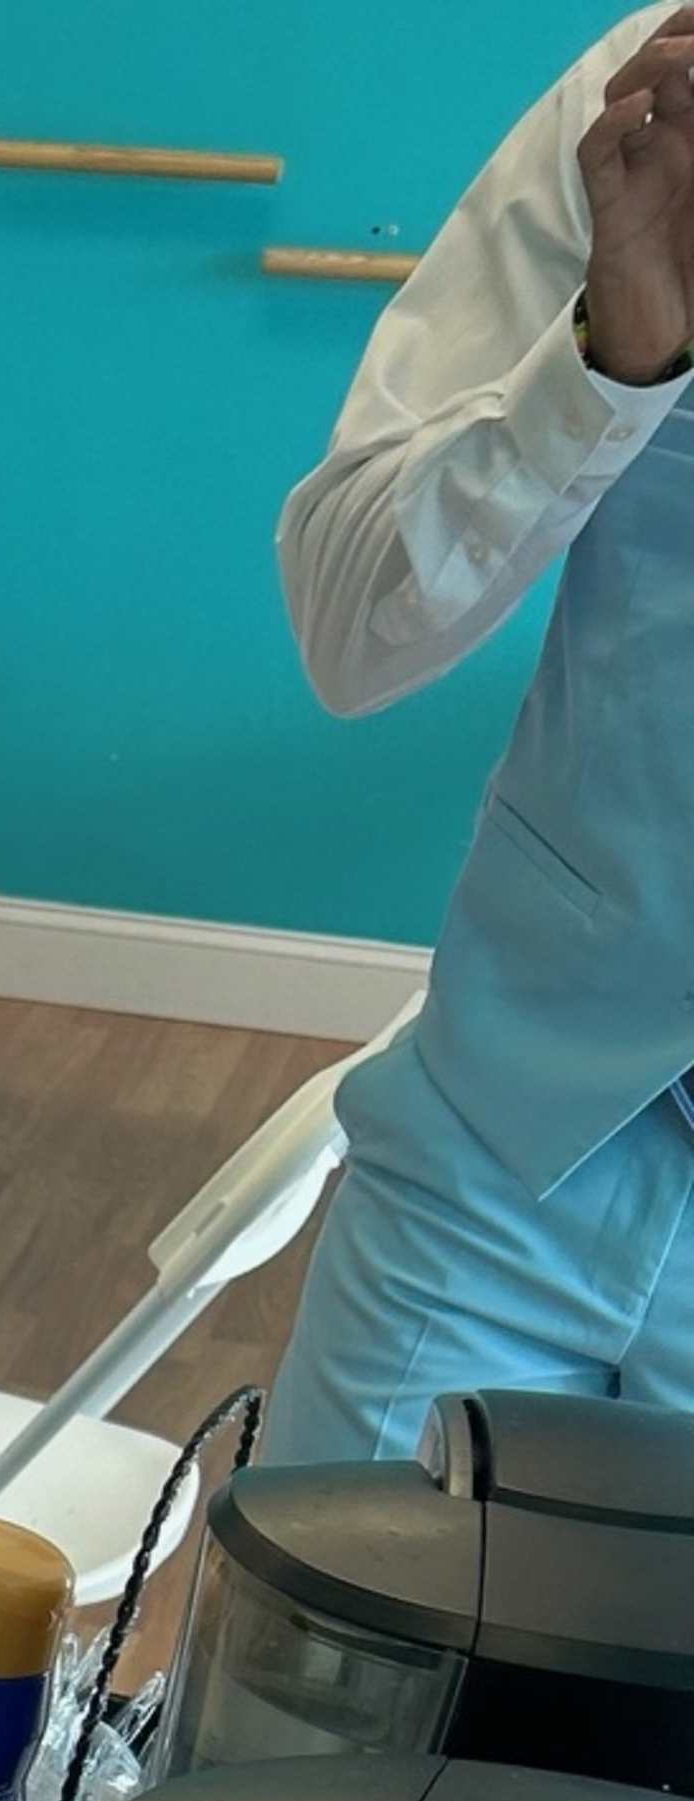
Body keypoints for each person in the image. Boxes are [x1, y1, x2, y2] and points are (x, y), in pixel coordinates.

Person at [263, 13, 694, 1461]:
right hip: (504, 1161)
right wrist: (609, 361)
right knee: (320, 1619)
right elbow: (348, 624)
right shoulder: (653, 95)